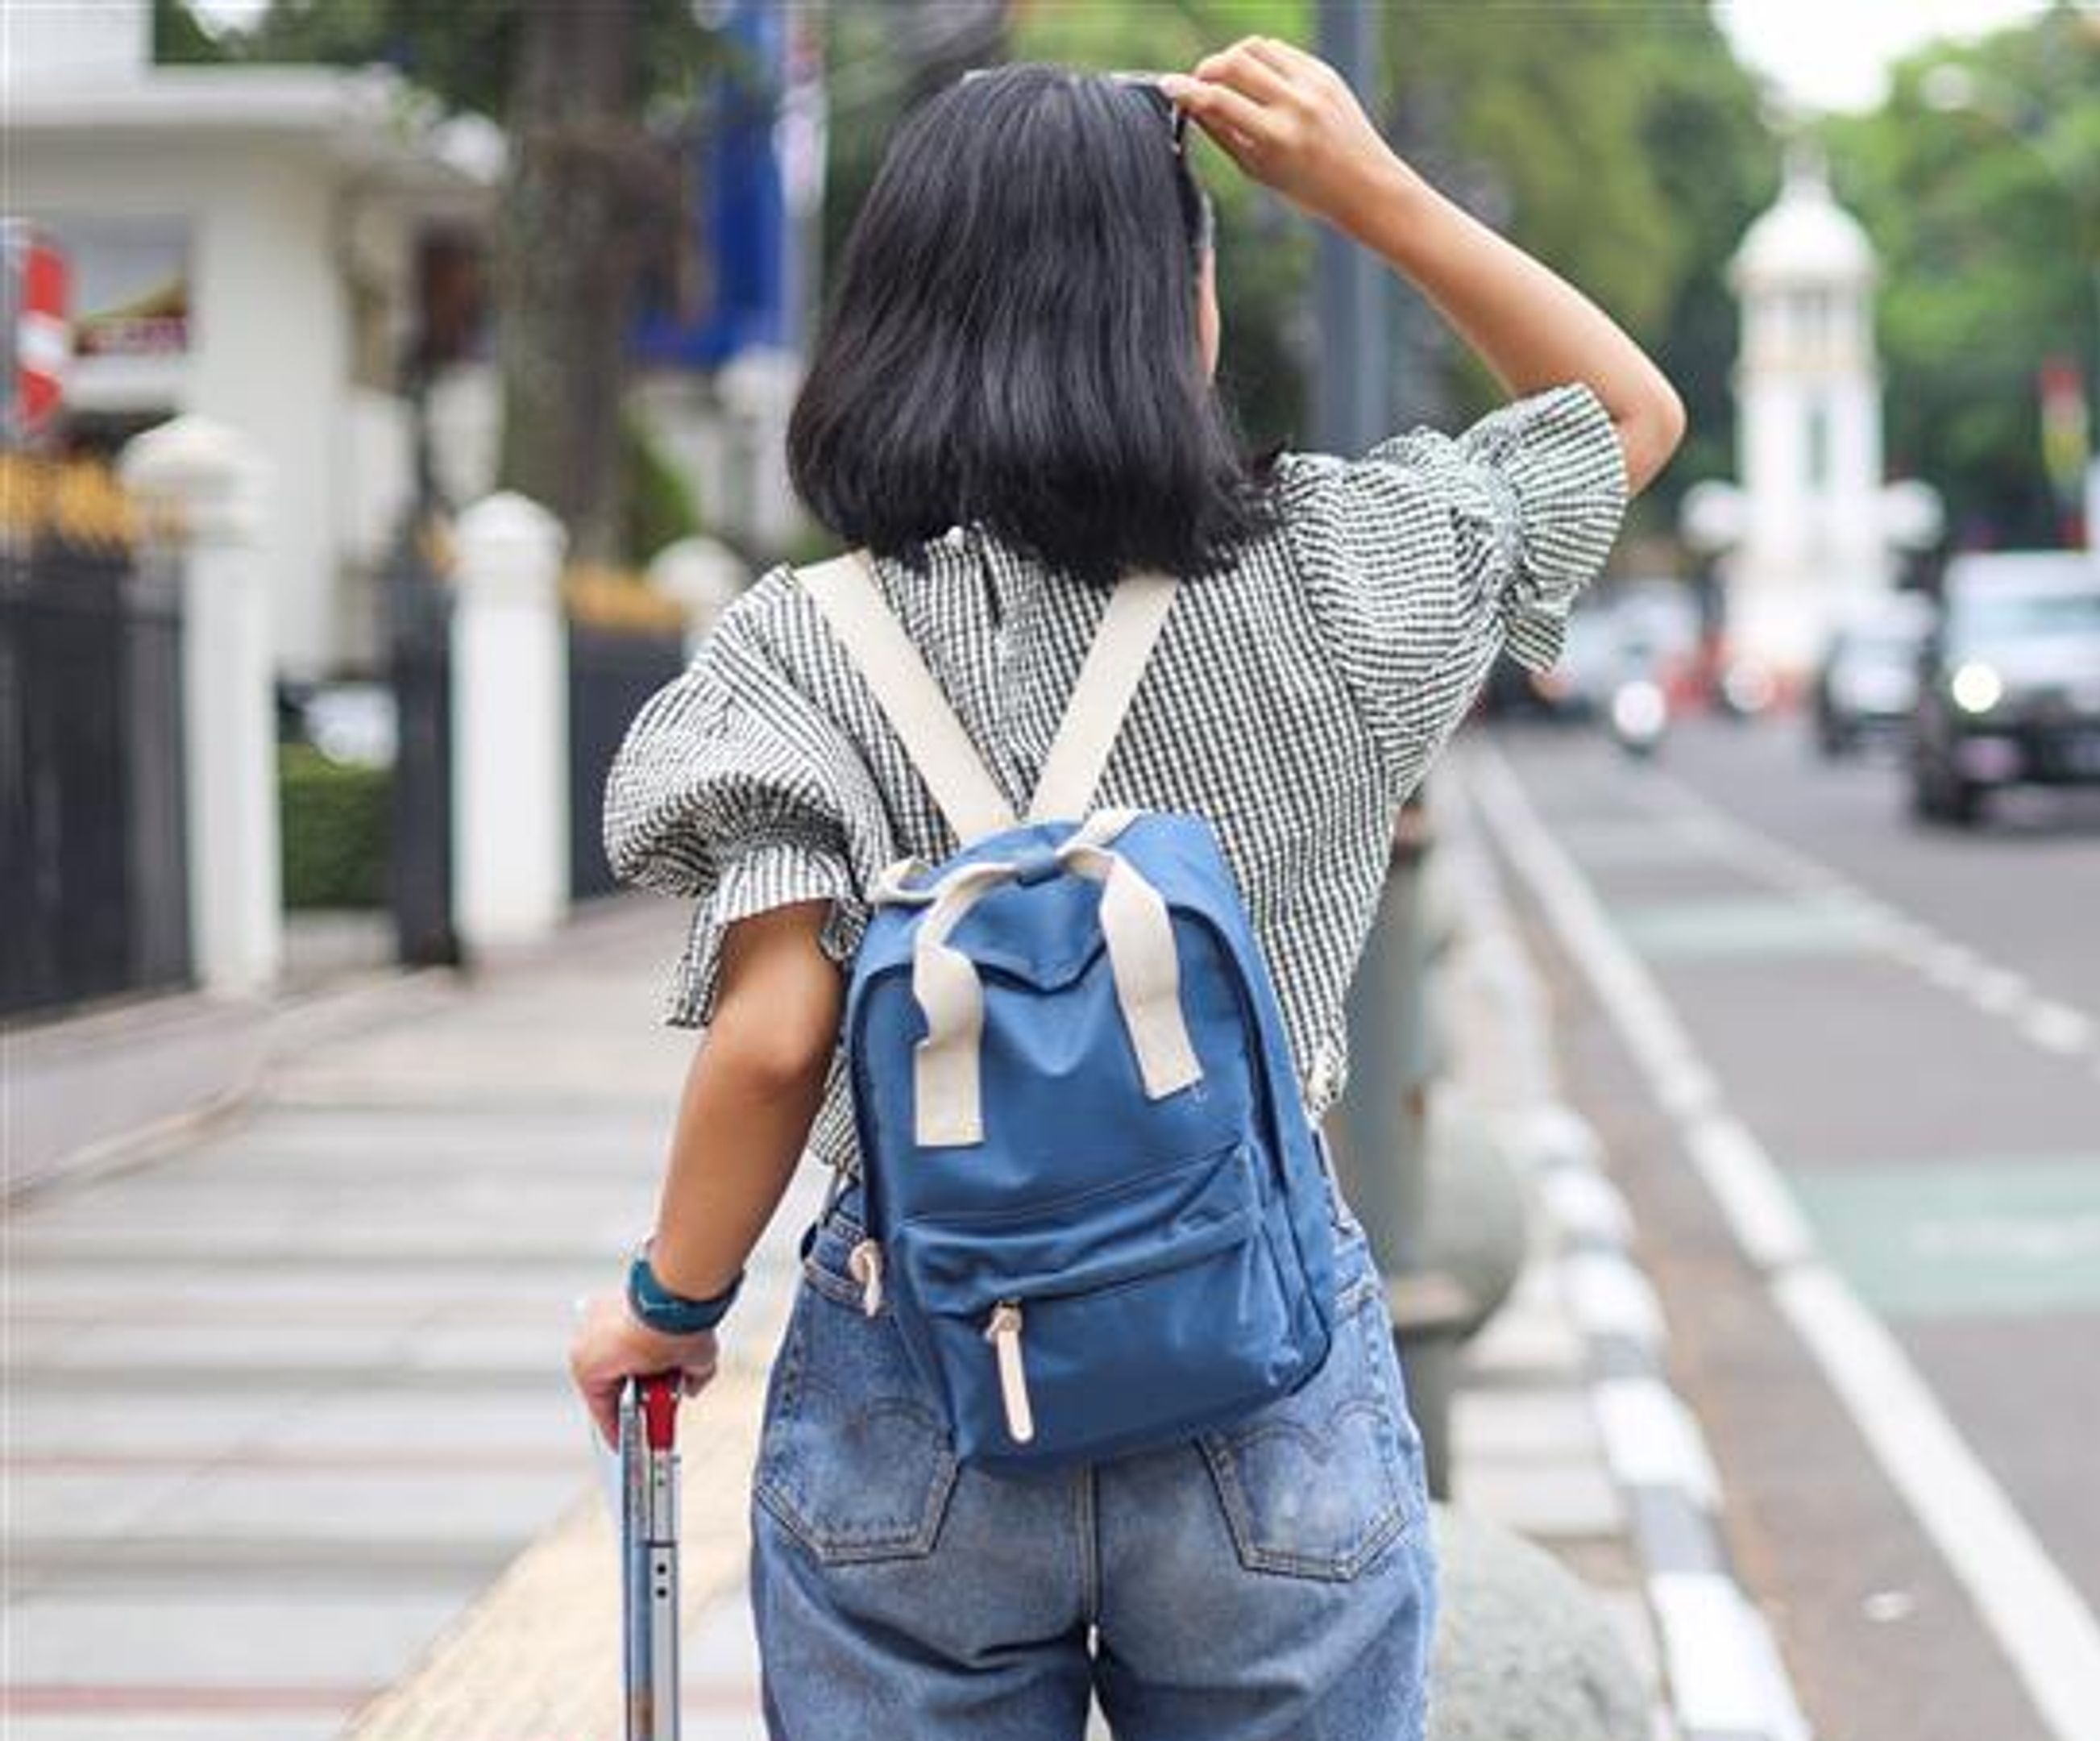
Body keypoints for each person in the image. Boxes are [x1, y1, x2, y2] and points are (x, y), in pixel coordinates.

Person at [566, 40, 1681, 1739]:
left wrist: (666, 1311)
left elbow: (780, 1040)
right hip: (1260, 1366)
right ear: (1183, 304)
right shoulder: (1338, 572)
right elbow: (1623, 415)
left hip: (921, 1376)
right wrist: (1362, 188)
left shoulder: (798, 647)